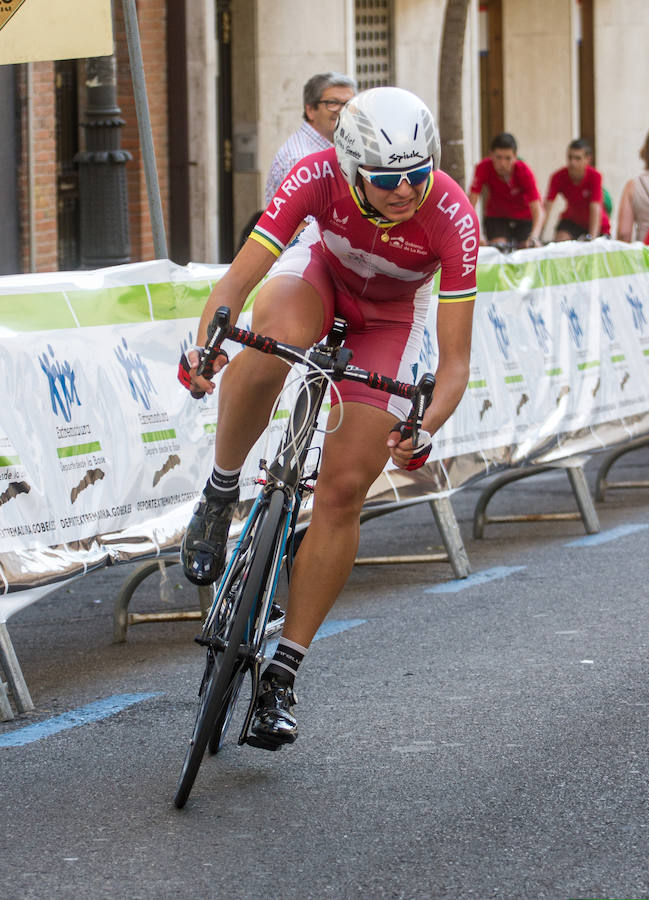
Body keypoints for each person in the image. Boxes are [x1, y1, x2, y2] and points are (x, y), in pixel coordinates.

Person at [178, 87, 479, 750]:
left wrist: (425, 426)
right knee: (267, 338)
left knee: (344, 488)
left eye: (416, 177)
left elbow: (454, 365)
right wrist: (205, 346)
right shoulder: (316, 176)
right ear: (351, 171)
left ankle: (283, 674)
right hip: (318, 278)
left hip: (390, 320)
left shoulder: (453, 216)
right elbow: (231, 288)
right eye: (386, 181)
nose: (404, 192)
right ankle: (220, 491)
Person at [263, 72, 357, 206]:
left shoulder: (335, 148)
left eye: (348, 104)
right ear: (311, 110)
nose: (342, 111)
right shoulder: (301, 160)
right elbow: (303, 225)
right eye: (333, 103)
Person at [468, 132, 544, 248]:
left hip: (524, 218)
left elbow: (538, 210)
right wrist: (475, 234)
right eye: (498, 157)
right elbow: (470, 205)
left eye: (508, 158)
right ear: (491, 155)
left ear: (515, 157)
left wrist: (534, 237)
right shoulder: (483, 167)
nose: (502, 164)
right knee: (499, 247)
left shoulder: (524, 171)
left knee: (526, 249)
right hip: (497, 217)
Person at [541, 138, 610, 241]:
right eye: (570, 157)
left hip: (597, 225)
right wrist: (537, 236)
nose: (572, 162)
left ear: (588, 159)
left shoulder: (595, 176)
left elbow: (595, 208)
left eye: (577, 158)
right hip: (572, 222)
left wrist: (592, 238)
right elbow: (547, 207)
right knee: (561, 240)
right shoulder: (558, 177)